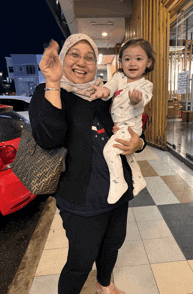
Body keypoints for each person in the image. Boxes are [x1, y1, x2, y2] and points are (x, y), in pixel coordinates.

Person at [29, 33, 147, 294]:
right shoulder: (49, 92)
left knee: (113, 244)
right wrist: (52, 81)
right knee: (80, 261)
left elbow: (133, 129)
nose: (82, 62)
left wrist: (139, 144)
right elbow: (49, 138)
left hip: (117, 194)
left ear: (96, 63)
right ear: (63, 57)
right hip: (80, 199)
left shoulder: (104, 95)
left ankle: (104, 286)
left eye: (89, 57)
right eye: (74, 54)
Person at [90, 38, 155, 204]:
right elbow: (110, 87)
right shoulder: (119, 77)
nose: (132, 63)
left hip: (132, 128)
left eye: (138, 58)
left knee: (109, 152)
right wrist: (103, 91)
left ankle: (119, 184)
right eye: (127, 59)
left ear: (148, 62)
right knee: (127, 154)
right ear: (121, 62)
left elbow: (143, 102)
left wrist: (136, 101)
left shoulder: (145, 85)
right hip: (119, 127)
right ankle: (138, 179)